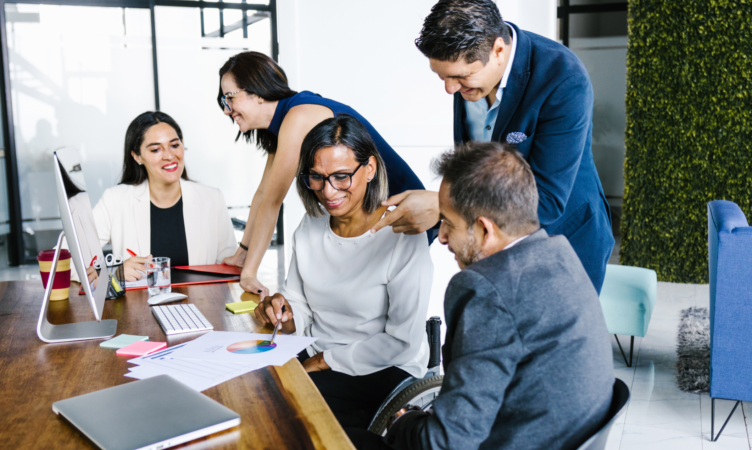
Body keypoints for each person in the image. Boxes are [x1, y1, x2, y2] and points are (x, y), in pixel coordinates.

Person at [348, 141, 614, 450]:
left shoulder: (486, 290)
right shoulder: (561, 258)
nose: (442, 235)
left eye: (447, 221)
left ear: (485, 230)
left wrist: (401, 421)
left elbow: (444, 443)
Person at [371, 0, 614, 293]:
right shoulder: (470, 78)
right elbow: (475, 174)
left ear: (498, 50)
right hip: (495, 248)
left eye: (460, 76)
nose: (450, 89)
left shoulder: (562, 75)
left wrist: (441, 206)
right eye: (442, 76)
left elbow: (547, 199)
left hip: (563, 242)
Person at [254, 115, 433, 429]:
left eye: (341, 176)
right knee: (255, 393)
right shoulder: (310, 226)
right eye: (316, 177)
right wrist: (284, 311)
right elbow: (299, 302)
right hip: (318, 354)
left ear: (370, 169)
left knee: (286, 413)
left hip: (382, 365)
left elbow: (402, 341)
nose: (328, 191)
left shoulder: (402, 234)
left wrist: (323, 362)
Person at [217, 51, 432, 298]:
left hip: (402, 212)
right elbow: (263, 194)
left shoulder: (298, 116)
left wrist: (250, 272)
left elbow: (273, 201)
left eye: (229, 98)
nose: (226, 109)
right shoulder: (285, 121)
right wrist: (243, 254)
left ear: (255, 92)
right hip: (365, 213)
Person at [92, 111, 236, 282]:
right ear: (137, 156)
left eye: (174, 145)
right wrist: (113, 272)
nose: (169, 156)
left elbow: (230, 267)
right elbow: (69, 260)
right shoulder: (115, 200)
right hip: (139, 307)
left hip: (201, 304)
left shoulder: (212, 199)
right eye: (155, 149)